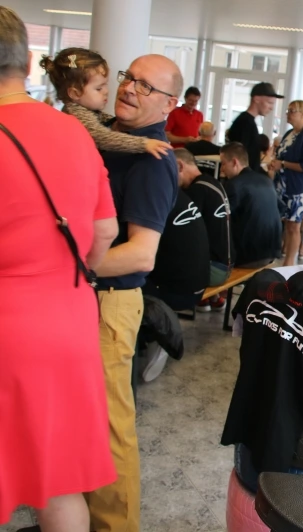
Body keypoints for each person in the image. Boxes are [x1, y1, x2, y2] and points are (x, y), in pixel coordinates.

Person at [0, 8, 118, 529]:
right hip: (69, 316)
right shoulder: (74, 132)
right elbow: (106, 229)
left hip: (6, 319)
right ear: (27, 63)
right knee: (60, 480)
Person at [90, 53, 183, 531]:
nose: (129, 88)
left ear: (168, 104)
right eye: (129, 77)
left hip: (110, 302)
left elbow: (141, 254)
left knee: (109, 426)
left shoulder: (152, 159)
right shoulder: (110, 136)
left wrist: (61, 267)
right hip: (85, 297)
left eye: (146, 86)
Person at [40, 47, 171, 159]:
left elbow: (101, 119)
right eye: (99, 88)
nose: (106, 92)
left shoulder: (80, 110)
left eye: (105, 85)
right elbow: (102, 137)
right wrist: (143, 144)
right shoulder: (77, 114)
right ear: (75, 93)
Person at [175, 149, 233, 289]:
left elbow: (184, 233)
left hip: (214, 269)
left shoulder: (197, 190)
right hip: (226, 263)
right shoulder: (212, 182)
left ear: (180, 166)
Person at [269, 100, 303, 266]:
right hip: (283, 185)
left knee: (294, 225)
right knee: (286, 223)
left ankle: (289, 261)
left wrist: (283, 164)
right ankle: (283, 253)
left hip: (297, 188)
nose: (288, 114)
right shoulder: (290, 133)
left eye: (292, 111)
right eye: (288, 111)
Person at [221, 142, 283, 267]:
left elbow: (222, 219)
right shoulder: (266, 180)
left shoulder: (234, 184)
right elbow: (280, 209)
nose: (222, 169)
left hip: (249, 256)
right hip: (272, 251)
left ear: (234, 162)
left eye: (223, 164)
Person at [228, 82, 283, 172]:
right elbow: (240, 158)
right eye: (269, 102)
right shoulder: (245, 123)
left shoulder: (248, 122)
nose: (271, 108)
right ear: (256, 99)